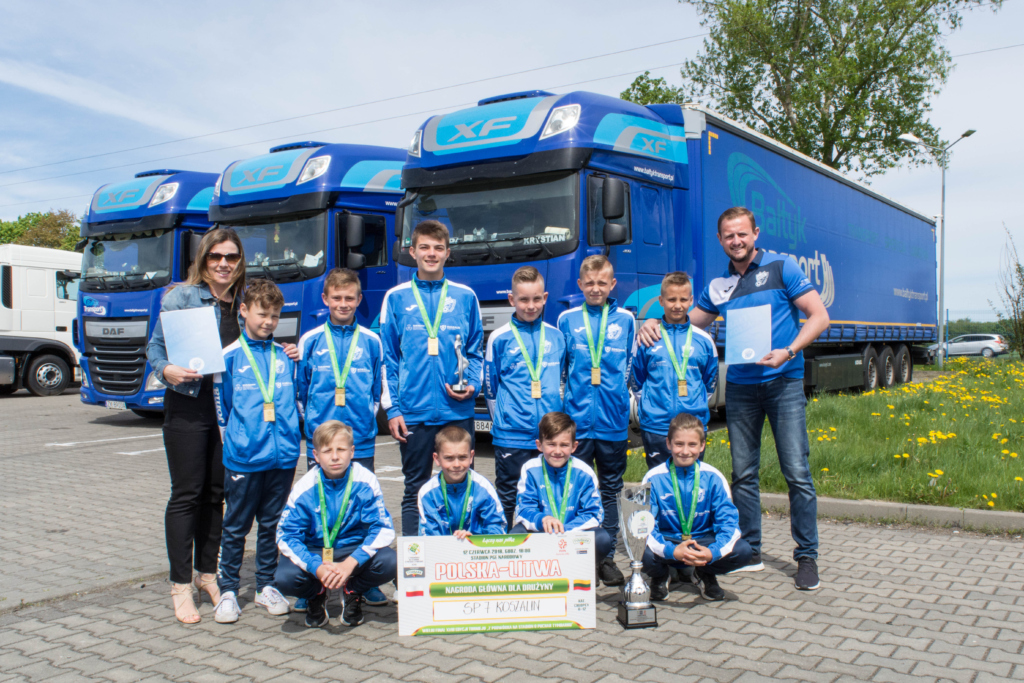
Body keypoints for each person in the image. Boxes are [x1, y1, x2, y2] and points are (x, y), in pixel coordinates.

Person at [637, 206, 830, 590]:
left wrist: (789, 351)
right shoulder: (718, 286)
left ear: (755, 233)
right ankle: (751, 549)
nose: (736, 241)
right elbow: (685, 323)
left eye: (742, 234)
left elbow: (820, 317)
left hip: (783, 381)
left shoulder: (782, 267)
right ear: (721, 240)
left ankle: (806, 557)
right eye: (729, 236)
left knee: (797, 472)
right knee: (743, 474)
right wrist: (653, 322)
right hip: (741, 387)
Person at [147, 227, 295, 624]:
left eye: (231, 257)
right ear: (203, 259)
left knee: (216, 495)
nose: (224, 264)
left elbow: (254, 342)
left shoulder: (241, 302)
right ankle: (180, 585)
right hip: (188, 409)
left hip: (230, 416)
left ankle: (207, 575)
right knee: (187, 495)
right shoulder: (180, 296)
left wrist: (281, 350)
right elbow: (154, 347)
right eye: (216, 257)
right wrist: (167, 370)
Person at [380, 220, 484, 536]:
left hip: (457, 411)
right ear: (412, 251)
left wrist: (474, 386)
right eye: (424, 247)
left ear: (447, 253)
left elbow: (476, 351)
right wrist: (393, 409)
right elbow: (388, 359)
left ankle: (463, 562)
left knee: (461, 485)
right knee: (415, 488)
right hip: (414, 412)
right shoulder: (396, 298)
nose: (431, 253)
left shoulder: (466, 297)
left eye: (438, 248)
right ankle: (414, 567)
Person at [295, 267, 388, 608]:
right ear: (325, 299)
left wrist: (364, 417)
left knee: (361, 510)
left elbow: (379, 389)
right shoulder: (311, 340)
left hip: (360, 440)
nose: (344, 303)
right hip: (321, 444)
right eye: (337, 298)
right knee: (315, 511)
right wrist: (315, 430)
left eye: (350, 298)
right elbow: (300, 390)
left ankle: (362, 583)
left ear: (359, 299)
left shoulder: (372, 341)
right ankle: (311, 585)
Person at [212, 278, 300, 623]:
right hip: (245, 457)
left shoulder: (285, 355)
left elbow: (296, 400)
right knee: (235, 526)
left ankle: (265, 584)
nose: (269, 322)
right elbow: (223, 408)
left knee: (273, 523)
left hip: (283, 456)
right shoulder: (229, 357)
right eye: (263, 314)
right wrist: (237, 442)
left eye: (275, 316)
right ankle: (229, 590)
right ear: (244, 311)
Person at [556, 255, 634, 586]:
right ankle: (572, 555)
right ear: (580, 285)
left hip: (612, 423)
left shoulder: (627, 320)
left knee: (611, 489)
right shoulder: (566, 319)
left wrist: (622, 403)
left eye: (602, 282)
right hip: (576, 423)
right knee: (573, 487)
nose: (596, 288)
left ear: (613, 284)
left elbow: (631, 368)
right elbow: (561, 370)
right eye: (589, 283)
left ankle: (606, 558)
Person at [275, 421, 397, 629]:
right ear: (315, 455)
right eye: (327, 451)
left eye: (341, 449)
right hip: (317, 551)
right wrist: (316, 567)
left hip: (352, 549)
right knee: (284, 577)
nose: (334, 456)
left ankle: (352, 591)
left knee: (391, 561)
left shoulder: (365, 480)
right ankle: (316, 593)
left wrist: (351, 563)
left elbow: (382, 529)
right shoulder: (304, 487)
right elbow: (286, 536)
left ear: (352, 451)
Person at [484, 266, 567, 527]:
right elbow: (490, 387)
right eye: (523, 300)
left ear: (545, 297)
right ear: (512, 300)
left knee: (548, 497)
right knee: (508, 495)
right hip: (512, 435)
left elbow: (562, 380)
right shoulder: (499, 338)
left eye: (536, 299)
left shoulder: (557, 336)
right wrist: (506, 421)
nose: (530, 306)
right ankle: (504, 550)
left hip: (549, 437)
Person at [642, 413, 752, 602]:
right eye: (679, 444)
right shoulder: (653, 478)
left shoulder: (714, 477)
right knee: (640, 550)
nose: (685, 451)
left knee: (743, 550)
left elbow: (729, 524)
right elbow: (643, 526)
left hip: (703, 543)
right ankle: (661, 575)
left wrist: (713, 552)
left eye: (692, 445)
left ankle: (704, 572)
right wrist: (671, 550)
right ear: (668, 444)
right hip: (669, 542)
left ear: (702, 446)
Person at [631, 271, 718, 470]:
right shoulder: (648, 338)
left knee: (691, 480)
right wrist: (650, 405)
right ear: (661, 300)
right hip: (656, 426)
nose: (677, 305)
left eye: (682, 299)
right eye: (671, 299)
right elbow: (637, 381)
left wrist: (694, 403)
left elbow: (709, 383)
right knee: (658, 480)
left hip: (692, 427)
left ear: (691, 301)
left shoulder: (704, 340)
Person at [512, 412, 613, 568]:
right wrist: (542, 520)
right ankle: (533, 577)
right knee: (515, 536)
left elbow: (594, 514)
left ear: (574, 446)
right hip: (541, 532)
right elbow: (523, 509)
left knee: (602, 539)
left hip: (574, 534)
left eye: (564, 445)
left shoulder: (585, 472)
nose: (557, 451)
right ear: (539, 445)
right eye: (551, 444)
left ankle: (583, 569)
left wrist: (565, 531)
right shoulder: (530, 469)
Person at [417, 425, 505, 537]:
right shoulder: (427, 493)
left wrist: (473, 540)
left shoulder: (484, 488)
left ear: (471, 456)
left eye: (462, 457)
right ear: (437, 459)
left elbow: (497, 528)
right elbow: (428, 536)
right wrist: (454, 546)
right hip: (442, 552)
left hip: (476, 551)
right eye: (449, 458)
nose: (457, 465)